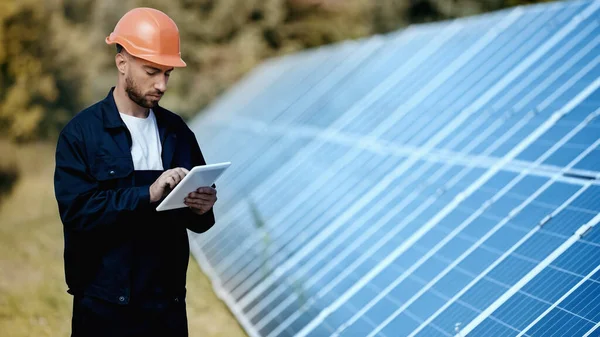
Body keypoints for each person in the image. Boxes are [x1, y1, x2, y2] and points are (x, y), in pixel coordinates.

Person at [53, 7, 218, 337]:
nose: (162, 84)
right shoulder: (81, 134)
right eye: (152, 71)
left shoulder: (177, 132)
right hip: (103, 311)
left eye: (168, 73)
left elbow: (198, 223)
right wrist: (148, 194)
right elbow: (78, 213)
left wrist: (202, 207)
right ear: (122, 62)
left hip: (166, 310)